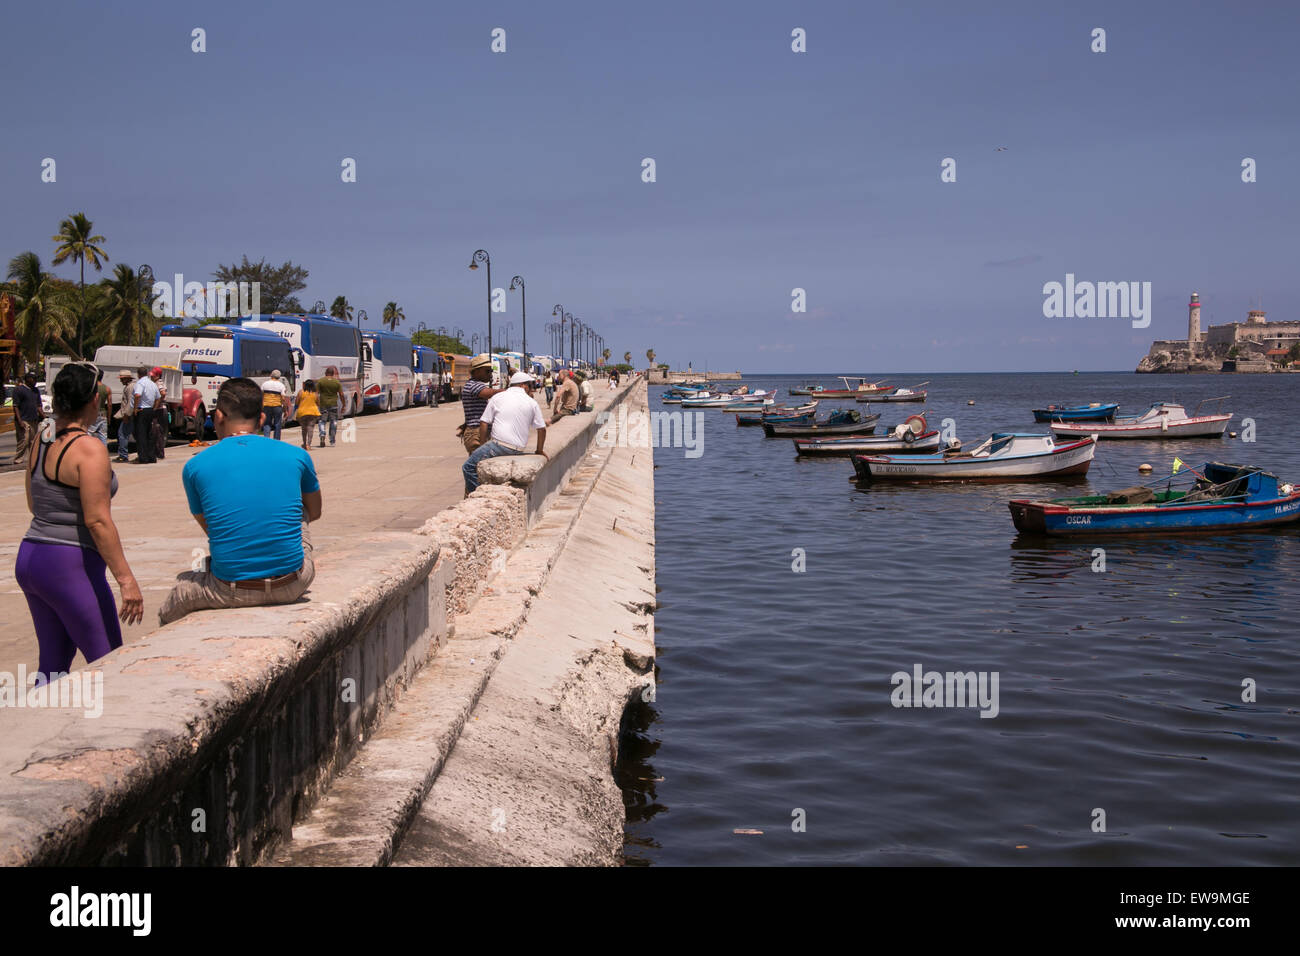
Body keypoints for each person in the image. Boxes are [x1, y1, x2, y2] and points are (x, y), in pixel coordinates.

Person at [16, 362, 144, 681]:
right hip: (69, 564)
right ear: (93, 401)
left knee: (53, 664)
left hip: (31, 556)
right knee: (109, 663)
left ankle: (41, 727)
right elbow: (98, 521)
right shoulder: (88, 448)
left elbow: (33, 499)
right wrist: (126, 581)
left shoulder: (44, 435)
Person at [158, 377, 321, 625]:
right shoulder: (298, 455)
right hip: (295, 582)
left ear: (219, 416)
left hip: (229, 588)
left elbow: (212, 528)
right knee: (298, 511)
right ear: (262, 419)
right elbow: (315, 512)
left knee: (172, 604)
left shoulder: (195, 466)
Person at [462, 371, 548, 496]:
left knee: (468, 467)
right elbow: (542, 429)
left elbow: (484, 422)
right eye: (530, 386)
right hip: (518, 448)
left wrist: (482, 445)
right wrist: (539, 450)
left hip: (499, 445)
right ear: (523, 386)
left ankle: (476, 496)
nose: (532, 389)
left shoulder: (498, 397)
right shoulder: (531, 402)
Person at [457, 353, 502, 454]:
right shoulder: (473, 385)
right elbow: (488, 393)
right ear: (477, 371)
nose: (490, 374)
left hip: (479, 431)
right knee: (479, 463)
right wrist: (508, 391)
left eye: (491, 371)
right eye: (487, 371)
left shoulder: (475, 384)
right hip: (476, 432)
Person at [132, 364, 161, 463]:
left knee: (141, 434)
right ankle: (151, 456)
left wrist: (135, 409)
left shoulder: (140, 383)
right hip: (150, 410)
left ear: (138, 374)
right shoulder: (152, 383)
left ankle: (143, 458)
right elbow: (158, 397)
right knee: (150, 434)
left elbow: (137, 395)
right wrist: (154, 408)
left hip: (142, 410)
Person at [12, 372, 41, 466]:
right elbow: (15, 406)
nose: (35, 380)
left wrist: (44, 417)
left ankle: (32, 459)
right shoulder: (19, 390)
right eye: (34, 378)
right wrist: (19, 420)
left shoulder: (36, 391)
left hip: (33, 419)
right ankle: (18, 459)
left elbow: (38, 406)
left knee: (33, 441)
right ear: (28, 379)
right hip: (23, 419)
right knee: (24, 440)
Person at [315, 366, 342, 447]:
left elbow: (316, 394)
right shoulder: (337, 382)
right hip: (333, 404)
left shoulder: (320, 381)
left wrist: (316, 403)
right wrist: (343, 404)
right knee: (333, 422)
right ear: (333, 373)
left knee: (322, 421)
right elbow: (341, 394)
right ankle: (332, 440)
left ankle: (322, 434)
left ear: (326, 373)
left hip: (323, 404)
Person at [113, 370, 135, 462]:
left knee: (122, 434)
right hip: (130, 414)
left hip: (128, 415)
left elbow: (130, 402)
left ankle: (123, 455)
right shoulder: (130, 386)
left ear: (127, 378)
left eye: (122, 379)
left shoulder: (130, 387)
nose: (121, 381)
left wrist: (126, 414)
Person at [261, 369, 288, 440]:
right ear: (279, 377)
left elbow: (261, 395)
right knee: (277, 424)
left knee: (267, 423)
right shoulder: (281, 385)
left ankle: (266, 439)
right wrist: (285, 410)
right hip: (277, 406)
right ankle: (276, 441)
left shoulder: (265, 384)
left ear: (271, 375)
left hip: (266, 406)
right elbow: (283, 399)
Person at [295, 379, 321, 450]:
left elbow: (296, 402)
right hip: (313, 412)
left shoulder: (301, 392)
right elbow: (318, 403)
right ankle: (308, 445)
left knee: (304, 429)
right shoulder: (315, 393)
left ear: (305, 385)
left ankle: (304, 443)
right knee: (310, 428)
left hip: (302, 413)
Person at [149, 367, 168, 460]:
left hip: (160, 410)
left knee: (158, 431)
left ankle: (160, 453)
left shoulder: (159, 383)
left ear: (158, 375)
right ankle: (158, 452)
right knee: (157, 431)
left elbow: (163, 393)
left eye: (153, 376)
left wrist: (157, 403)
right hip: (160, 409)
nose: (151, 377)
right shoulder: (155, 383)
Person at [89, 376, 112, 445]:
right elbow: (109, 404)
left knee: (89, 433)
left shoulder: (91, 388)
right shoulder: (107, 388)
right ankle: (104, 452)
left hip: (92, 413)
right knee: (103, 435)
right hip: (103, 413)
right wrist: (109, 417)